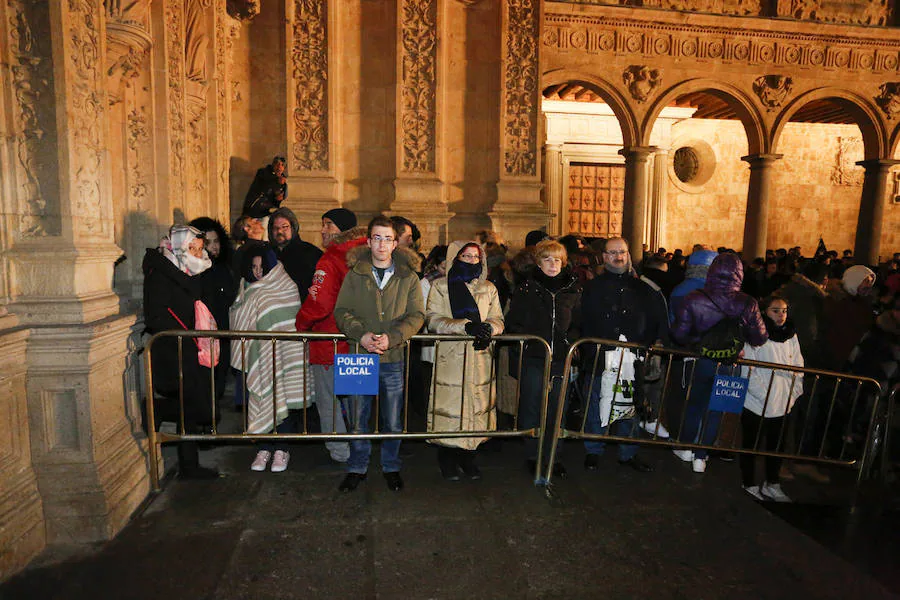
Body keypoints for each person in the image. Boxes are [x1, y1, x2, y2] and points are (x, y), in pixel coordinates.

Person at [333, 216, 425, 492]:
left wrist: (393, 337)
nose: (382, 244)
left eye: (387, 238)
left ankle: (391, 465)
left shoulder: (408, 277)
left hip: (393, 357)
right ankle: (357, 466)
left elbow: (417, 314)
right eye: (377, 238)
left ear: (396, 243)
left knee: (393, 419)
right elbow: (341, 311)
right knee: (357, 416)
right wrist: (360, 334)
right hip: (358, 354)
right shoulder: (355, 274)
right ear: (369, 241)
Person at [671, 252, 768, 474]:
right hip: (730, 363)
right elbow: (760, 338)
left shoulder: (694, 298)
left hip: (701, 360)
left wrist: (698, 340)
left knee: (695, 404)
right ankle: (701, 457)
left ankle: (686, 447)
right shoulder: (748, 303)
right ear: (739, 273)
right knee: (716, 410)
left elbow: (678, 334)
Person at [580, 237, 668, 473]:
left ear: (628, 254)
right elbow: (581, 322)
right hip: (600, 358)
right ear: (604, 257)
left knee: (630, 407)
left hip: (633, 359)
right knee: (595, 405)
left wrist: (652, 346)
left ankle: (628, 452)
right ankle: (593, 451)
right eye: (612, 252)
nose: (618, 256)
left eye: (622, 252)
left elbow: (658, 321)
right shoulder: (591, 288)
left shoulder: (645, 289)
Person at [142, 225, 219, 479]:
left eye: (200, 248)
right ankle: (157, 411)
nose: (198, 253)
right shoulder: (161, 271)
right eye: (192, 248)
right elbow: (155, 314)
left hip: (189, 346)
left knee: (192, 406)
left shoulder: (187, 270)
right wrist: (182, 332)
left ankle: (189, 465)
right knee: (191, 406)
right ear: (178, 246)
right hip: (172, 347)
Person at [425, 241, 504, 481]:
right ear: (454, 257)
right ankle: (447, 460)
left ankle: (469, 458)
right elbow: (433, 319)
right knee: (450, 408)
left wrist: (488, 329)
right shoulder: (440, 286)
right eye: (465, 255)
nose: (471, 260)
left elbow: (498, 318)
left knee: (475, 406)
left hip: (480, 357)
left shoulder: (489, 288)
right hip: (451, 356)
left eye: (475, 256)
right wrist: (465, 327)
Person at [294, 208, 365, 464]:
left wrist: (301, 323)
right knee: (359, 402)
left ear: (342, 230)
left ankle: (339, 451)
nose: (323, 230)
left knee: (330, 402)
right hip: (359, 342)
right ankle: (360, 448)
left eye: (328, 225)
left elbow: (319, 303)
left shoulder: (331, 259)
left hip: (329, 342)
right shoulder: (368, 256)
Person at [229, 246, 309, 473]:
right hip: (257, 356)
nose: (257, 272)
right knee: (260, 398)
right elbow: (238, 319)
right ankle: (264, 447)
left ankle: (282, 449)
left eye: (262, 267)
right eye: (253, 267)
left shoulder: (287, 287)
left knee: (282, 396)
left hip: (283, 355)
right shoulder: (245, 290)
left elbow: (289, 321)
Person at [505, 239, 581, 479]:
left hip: (561, 358)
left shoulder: (573, 289)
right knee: (532, 406)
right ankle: (533, 454)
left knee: (559, 407)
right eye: (547, 259)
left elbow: (579, 323)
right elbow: (514, 322)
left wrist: (573, 344)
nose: (552, 264)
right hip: (535, 357)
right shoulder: (526, 289)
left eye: (557, 259)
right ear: (538, 262)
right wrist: (527, 345)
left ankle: (554, 455)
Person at [739, 296, 803, 502]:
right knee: (752, 444)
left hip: (783, 400)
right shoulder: (756, 333)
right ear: (765, 311)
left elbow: (798, 365)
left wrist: (793, 392)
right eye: (776, 310)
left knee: (777, 445)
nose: (781, 315)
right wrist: (764, 394)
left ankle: (772, 483)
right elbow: (748, 366)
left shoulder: (791, 334)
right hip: (757, 401)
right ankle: (748, 482)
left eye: (784, 310)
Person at [188, 217, 236, 401]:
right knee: (204, 387)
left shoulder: (225, 267)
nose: (214, 246)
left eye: (216, 241)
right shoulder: (196, 271)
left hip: (222, 334)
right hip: (202, 337)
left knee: (219, 382)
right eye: (208, 242)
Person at [268, 207, 322, 301]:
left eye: (285, 227)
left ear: (293, 228)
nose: (280, 231)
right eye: (276, 228)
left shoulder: (310, 253)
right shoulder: (266, 253)